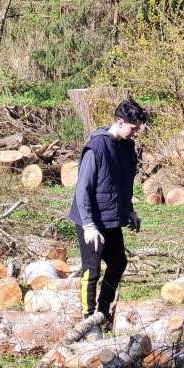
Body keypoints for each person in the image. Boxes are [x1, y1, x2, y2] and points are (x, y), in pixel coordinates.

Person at [69, 98, 150, 327]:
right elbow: (82, 190)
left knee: (118, 262)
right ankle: (87, 320)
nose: (135, 133)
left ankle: (103, 311)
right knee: (92, 270)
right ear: (120, 122)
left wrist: (130, 211)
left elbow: (124, 184)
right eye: (133, 128)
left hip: (111, 218)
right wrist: (89, 225)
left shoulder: (127, 147)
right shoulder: (96, 147)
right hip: (90, 220)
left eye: (138, 128)